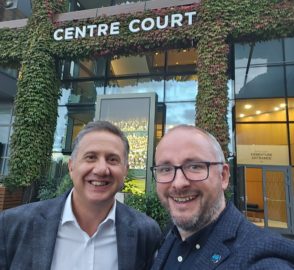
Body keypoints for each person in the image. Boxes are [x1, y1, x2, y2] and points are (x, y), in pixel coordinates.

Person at [0, 120, 161, 270]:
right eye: (91, 157)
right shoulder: (12, 226)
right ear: (71, 166)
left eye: (112, 159)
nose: (101, 169)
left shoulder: (145, 233)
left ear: (125, 170)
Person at [150, 124, 294, 270]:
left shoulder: (261, 256)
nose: (178, 183)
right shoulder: (168, 236)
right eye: (165, 169)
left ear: (223, 176)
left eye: (195, 166)